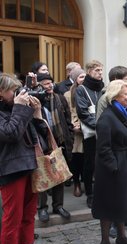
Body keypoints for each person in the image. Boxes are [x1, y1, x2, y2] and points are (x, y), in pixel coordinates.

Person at [0, 73, 53, 244]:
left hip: (30, 165)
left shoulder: (18, 109)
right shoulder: (11, 111)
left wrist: (37, 114)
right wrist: (21, 109)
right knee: (12, 218)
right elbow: (10, 133)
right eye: (12, 90)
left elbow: (40, 136)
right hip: (10, 170)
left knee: (28, 215)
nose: (17, 93)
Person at [92, 80, 127, 244]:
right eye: (125, 94)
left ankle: (121, 236)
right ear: (115, 97)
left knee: (122, 201)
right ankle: (105, 242)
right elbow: (103, 148)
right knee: (109, 204)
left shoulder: (123, 113)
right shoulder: (107, 118)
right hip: (112, 168)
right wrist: (114, 167)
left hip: (125, 162)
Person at [35, 73, 74, 222]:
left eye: (50, 83)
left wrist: (68, 136)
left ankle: (58, 205)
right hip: (41, 143)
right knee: (43, 175)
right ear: (38, 86)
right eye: (45, 83)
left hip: (59, 142)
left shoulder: (59, 98)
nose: (49, 85)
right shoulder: (34, 102)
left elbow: (68, 119)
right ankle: (42, 208)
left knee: (59, 175)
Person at [75, 60, 104, 209]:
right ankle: (90, 194)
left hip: (104, 132)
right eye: (97, 70)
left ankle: (101, 191)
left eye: (101, 70)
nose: (100, 73)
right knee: (90, 163)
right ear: (89, 72)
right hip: (92, 133)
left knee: (103, 163)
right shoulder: (82, 89)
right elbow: (83, 112)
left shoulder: (103, 88)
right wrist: (100, 125)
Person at [65, 68, 86, 198]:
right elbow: (68, 112)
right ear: (75, 79)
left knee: (86, 159)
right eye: (81, 77)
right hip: (75, 131)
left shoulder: (89, 92)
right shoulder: (68, 94)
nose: (83, 79)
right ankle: (77, 183)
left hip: (88, 129)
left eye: (85, 76)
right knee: (76, 159)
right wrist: (74, 124)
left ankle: (86, 184)